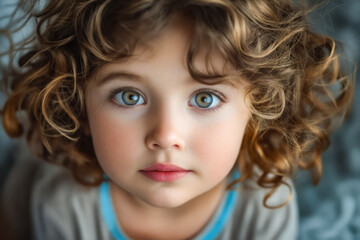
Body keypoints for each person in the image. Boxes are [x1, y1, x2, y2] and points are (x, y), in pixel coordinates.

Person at [0, 0, 353, 239]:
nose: (166, 136)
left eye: (205, 98)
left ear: (258, 108)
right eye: (129, 96)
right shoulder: (64, 206)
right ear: (80, 104)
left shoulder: (265, 208)